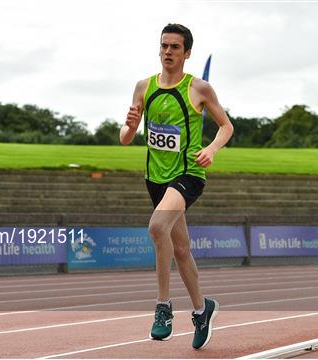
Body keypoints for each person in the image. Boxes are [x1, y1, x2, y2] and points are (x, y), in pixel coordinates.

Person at [119, 23, 233, 349]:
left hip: (188, 175)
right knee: (181, 250)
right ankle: (202, 309)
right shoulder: (143, 87)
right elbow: (126, 139)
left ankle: (163, 307)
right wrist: (128, 127)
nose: (167, 52)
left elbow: (226, 127)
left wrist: (211, 149)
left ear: (187, 53)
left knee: (157, 227)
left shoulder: (199, 89)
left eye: (174, 47)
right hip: (155, 179)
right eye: (164, 46)